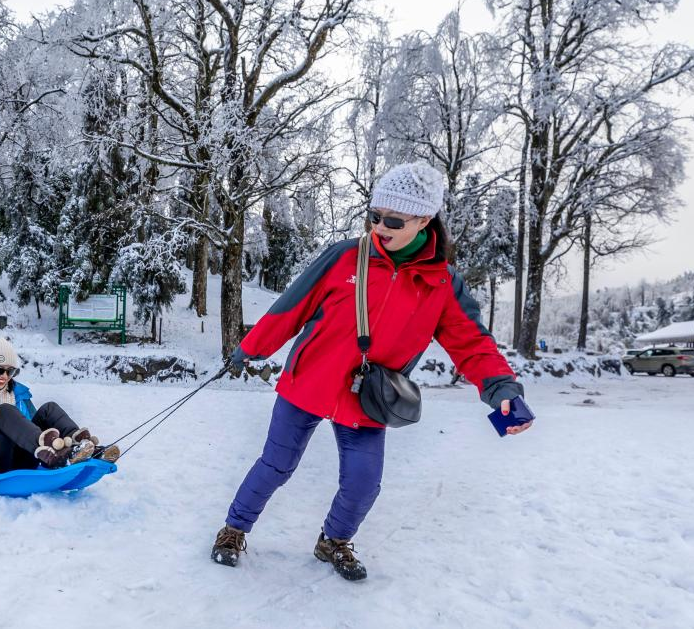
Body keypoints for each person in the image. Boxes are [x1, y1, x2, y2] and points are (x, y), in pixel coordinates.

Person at [210, 162, 531, 581]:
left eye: (393, 220)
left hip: (368, 397)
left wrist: (501, 388)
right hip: (309, 381)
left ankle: (333, 540)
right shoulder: (346, 255)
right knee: (276, 465)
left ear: (424, 220)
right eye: (375, 216)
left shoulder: (441, 284)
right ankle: (234, 529)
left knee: (363, 482)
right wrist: (250, 349)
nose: (380, 226)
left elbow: (472, 343)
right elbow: (293, 304)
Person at [0, 338, 119, 484]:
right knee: (4, 411)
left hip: (22, 456)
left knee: (49, 409)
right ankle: (49, 453)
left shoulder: (18, 393)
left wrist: (56, 441)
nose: (4, 376)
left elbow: (30, 428)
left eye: (10, 371)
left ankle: (81, 448)